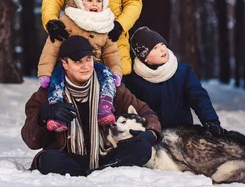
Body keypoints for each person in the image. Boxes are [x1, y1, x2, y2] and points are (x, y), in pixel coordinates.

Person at [21, 35, 162, 177]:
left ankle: (95, 172)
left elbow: (145, 112)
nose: (85, 66)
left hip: (106, 153)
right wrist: (43, 115)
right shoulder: (47, 94)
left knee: (142, 147)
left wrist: (151, 133)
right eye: (78, 61)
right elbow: (31, 141)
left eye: (88, 59)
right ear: (64, 63)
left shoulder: (110, 88)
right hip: (68, 156)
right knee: (47, 160)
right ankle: (99, 173)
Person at [37, 0, 122, 131]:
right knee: (57, 81)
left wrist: (116, 71)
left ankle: (105, 105)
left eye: (98, 0)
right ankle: (56, 113)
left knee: (107, 76)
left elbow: (111, 51)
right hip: (69, 65)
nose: (94, 4)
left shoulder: (105, 23)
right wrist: (45, 72)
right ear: (78, 1)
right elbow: (52, 48)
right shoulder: (68, 20)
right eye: (89, 0)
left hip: (94, 64)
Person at [126, 27, 226, 135]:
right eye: (155, 48)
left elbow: (199, 98)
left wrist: (211, 121)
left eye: (162, 44)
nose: (162, 49)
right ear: (144, 57)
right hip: (152, 135)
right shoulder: (133, 79)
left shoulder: (183, 72)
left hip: (183, 134)